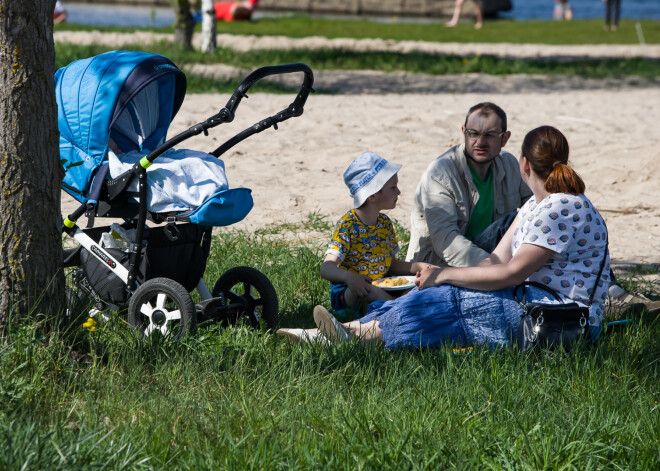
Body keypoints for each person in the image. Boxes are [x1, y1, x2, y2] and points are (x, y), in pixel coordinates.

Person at [313, 126, 611, 349]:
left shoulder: (562, 207)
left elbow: (510, 273)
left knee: (454, 300)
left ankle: (360, 336)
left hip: (561, 317)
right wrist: (438, 275)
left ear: (523, 165)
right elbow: (494, 261)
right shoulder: (536, 205)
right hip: (532, 303)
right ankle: (348, 330)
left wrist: (444, 276)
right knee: (432, 292)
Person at [277, 151, 429, 344]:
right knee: (368, 290)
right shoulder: (348, 226)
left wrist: (420, 267)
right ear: (373, 195)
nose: (398, 192)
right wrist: (350, 277)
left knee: (414, 287)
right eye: (393, 187)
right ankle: (401, 312)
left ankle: (389, 310)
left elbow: (392, 266)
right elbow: (327, 268)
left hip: (380, 286)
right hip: (350, 294)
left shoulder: (385, 223)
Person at [407, 102, 532, 268]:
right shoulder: (440, 173)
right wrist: (496, 269)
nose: (480, 142)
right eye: (473, 133)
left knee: (526, 217)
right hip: (443, 266)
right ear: (463, 132)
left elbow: (537, 205)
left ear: (505, 138)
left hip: (493, 256)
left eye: (490, 135)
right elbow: (447, 242)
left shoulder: (508, 164)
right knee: (509, 223)